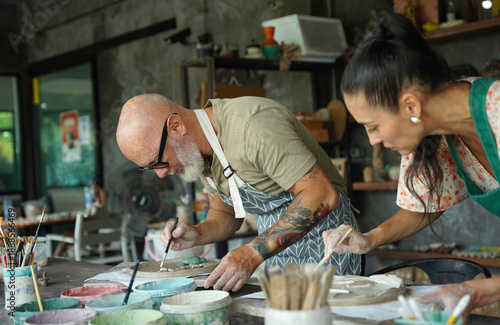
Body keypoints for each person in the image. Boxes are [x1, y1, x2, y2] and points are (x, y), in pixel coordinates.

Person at [321, 12, 500, 321]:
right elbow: (422, 207)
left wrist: (475, 291)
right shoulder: (432, 131)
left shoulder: (496, 110)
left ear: (411, 106)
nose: (372, 140)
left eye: (373, 126)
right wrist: (369, 239)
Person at [116, 94, 361, 292]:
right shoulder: (200, 153)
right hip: (275, 255)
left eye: (158, 162)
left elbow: (320, 194)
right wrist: (197, 233)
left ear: (176, 126)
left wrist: (252, 252)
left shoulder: (252, 126)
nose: (160, 174)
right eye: (150, 169)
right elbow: (226, 215)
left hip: (327, 245)